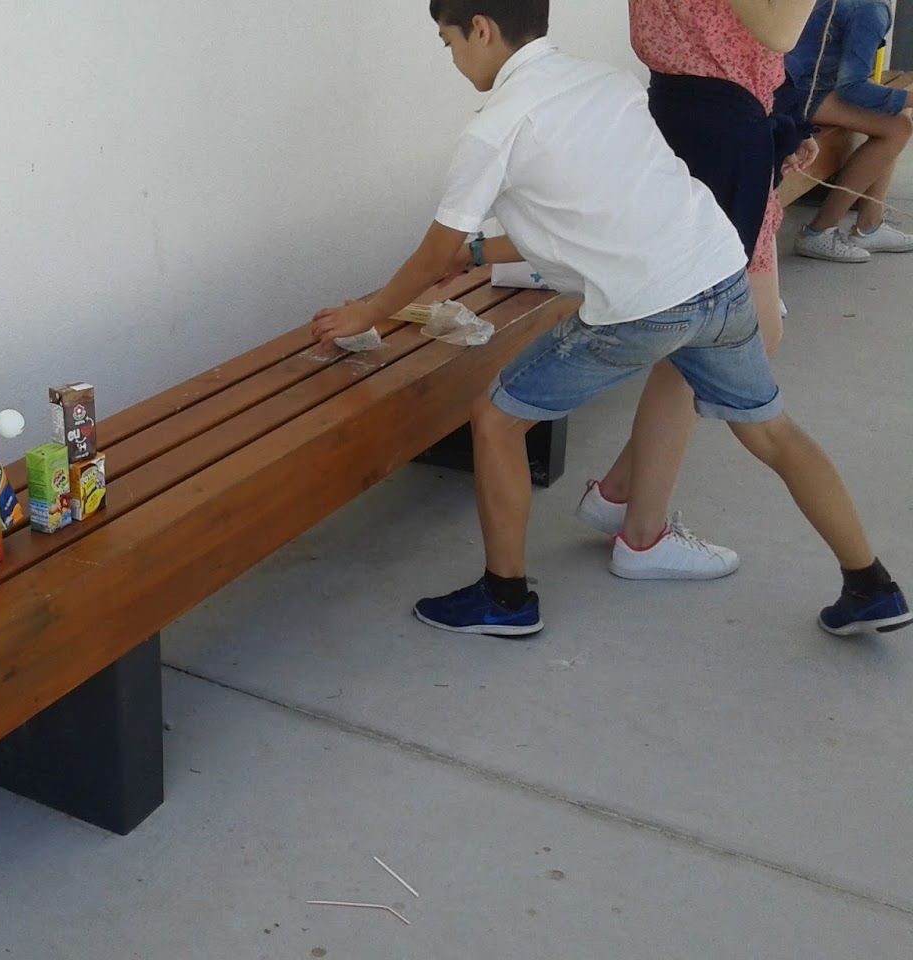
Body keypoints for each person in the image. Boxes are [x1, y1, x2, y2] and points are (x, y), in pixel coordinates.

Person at [309, 0, 910, 639]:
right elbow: (585, 221)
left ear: (480, 29)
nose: (453, 59)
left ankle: (505, 599)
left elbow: (433, 255)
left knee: (496, 418)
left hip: (648, 305)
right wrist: (478, 254)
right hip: (718, 274)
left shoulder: (495, 129)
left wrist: (368, 311)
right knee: (773, 432)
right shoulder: (603, 82)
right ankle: (870, 584)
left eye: (448, 42)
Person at [576, 0, 822, 582]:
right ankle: (642, 535)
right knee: (712, 339)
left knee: (747, 331)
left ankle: (620, 494)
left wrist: (780, 113)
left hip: (715, 116)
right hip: (718, 130)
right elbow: (780, 30)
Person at [784, 0, 913, 260]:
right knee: (898, 126)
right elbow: (852, 88)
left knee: (895, 115)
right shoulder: (870, 8)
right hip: (796, 94)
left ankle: (869, 225)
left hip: (802, 85)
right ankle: (818, 233)